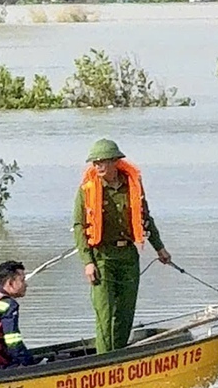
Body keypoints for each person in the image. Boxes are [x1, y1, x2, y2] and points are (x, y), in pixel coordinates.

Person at [73, 138, 172, 354]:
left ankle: (118, 356)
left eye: (103, 162)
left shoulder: (133, 186)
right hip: (102, 257)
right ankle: (103, 361)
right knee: (105, 314)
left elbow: (145, 218)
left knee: (125, 313)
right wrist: (88, 262)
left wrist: (160, 248)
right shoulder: (87, 190)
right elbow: (79, 226)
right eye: (95, 162)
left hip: (128, 256)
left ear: (116, 162)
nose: (97, 166)